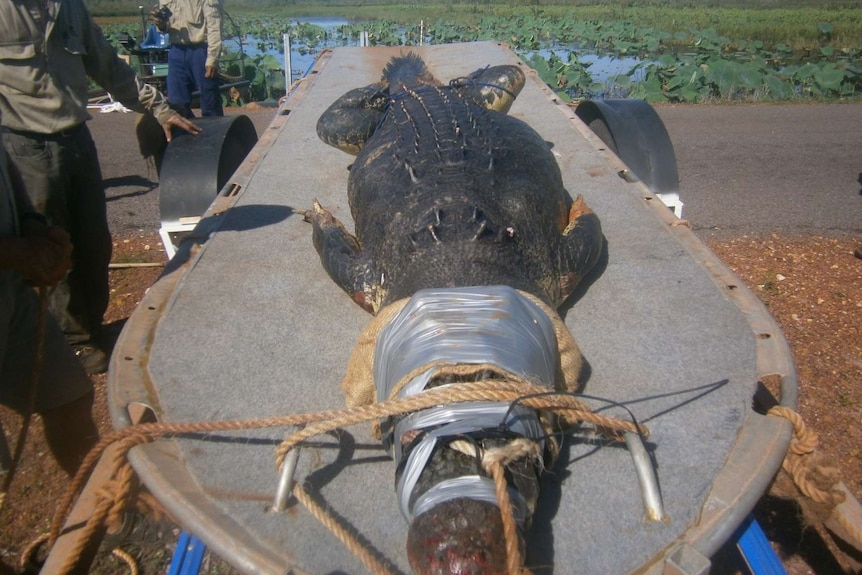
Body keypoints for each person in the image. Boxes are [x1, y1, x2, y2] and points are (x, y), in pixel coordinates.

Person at [0, 0, 201, 374]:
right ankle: (71, 342)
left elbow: (107, 63)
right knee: (50, 247)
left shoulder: (67, 7)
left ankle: (91, 327)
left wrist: (158, 108)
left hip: (77, 136)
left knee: (93, 243)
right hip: (23, 143)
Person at [0, 146, 99, 477]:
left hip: (10, 282)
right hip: (11, 261)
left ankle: (111, 515)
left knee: (68, 397)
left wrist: (30, 222)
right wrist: (16, 252)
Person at [152, 0, 224, 118]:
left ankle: (214, 134)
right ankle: (188, 133)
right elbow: (165, 28)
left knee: (210, 103)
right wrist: (161, 24)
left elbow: (215, 27)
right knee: (176, 105)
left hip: (201, 51)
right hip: (176, 51)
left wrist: (212, 58)